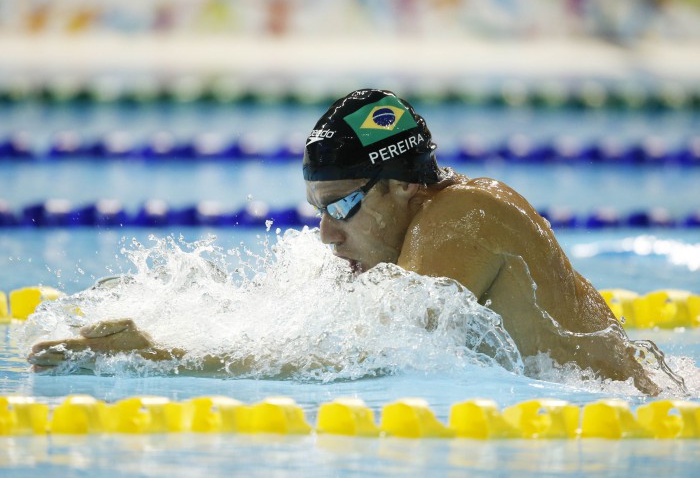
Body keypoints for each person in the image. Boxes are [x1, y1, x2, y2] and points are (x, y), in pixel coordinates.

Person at [28, 89, 672, 395]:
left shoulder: (461, 216)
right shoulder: (396, 245)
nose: (326, 234)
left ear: (400, 188)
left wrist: (163, 357)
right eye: (317, 209)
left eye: (342, 206)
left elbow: (360, 360)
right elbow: (293, 333)